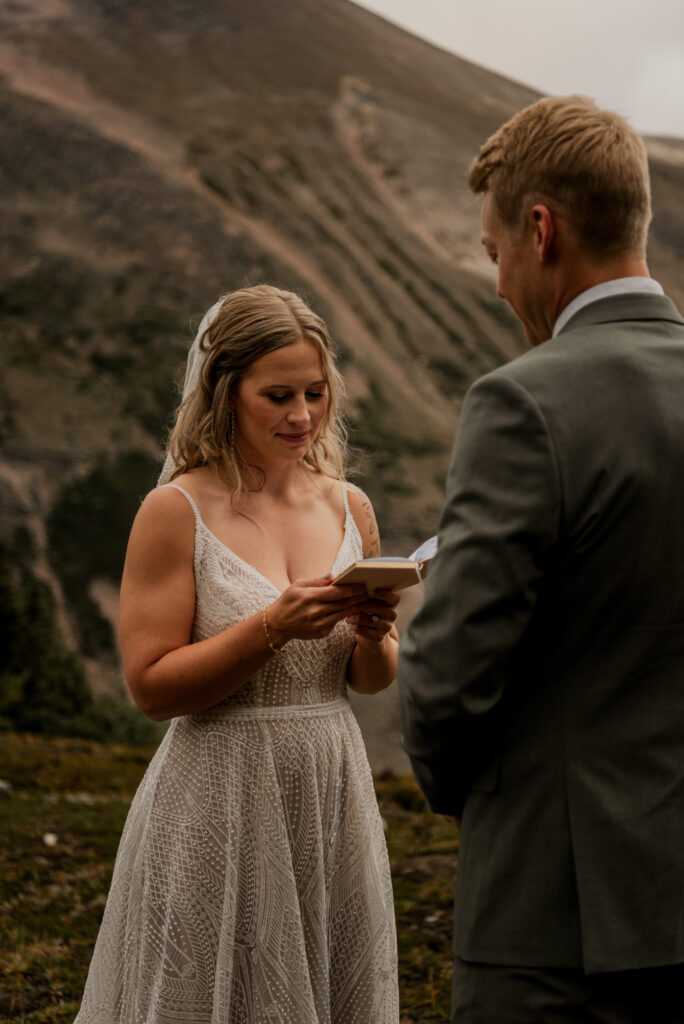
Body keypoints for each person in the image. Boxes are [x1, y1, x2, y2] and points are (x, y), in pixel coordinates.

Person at [397, 95, 684, 1022]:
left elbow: (446, 682)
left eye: (493, 254)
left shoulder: (522, 405)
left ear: (541, 228)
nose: (496, 284)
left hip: (557, 923)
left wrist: (463, 790)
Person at [75, 285, 400, 1023]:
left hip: (329, 786)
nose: (302, 416)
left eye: (316, 394)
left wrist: (377, 631)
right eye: (277, 395)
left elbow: (371, 680)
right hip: (218, 796)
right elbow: (151, 689)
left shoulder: (349, 507)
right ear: (224, 391)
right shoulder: (176, 510)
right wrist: (272, 629)